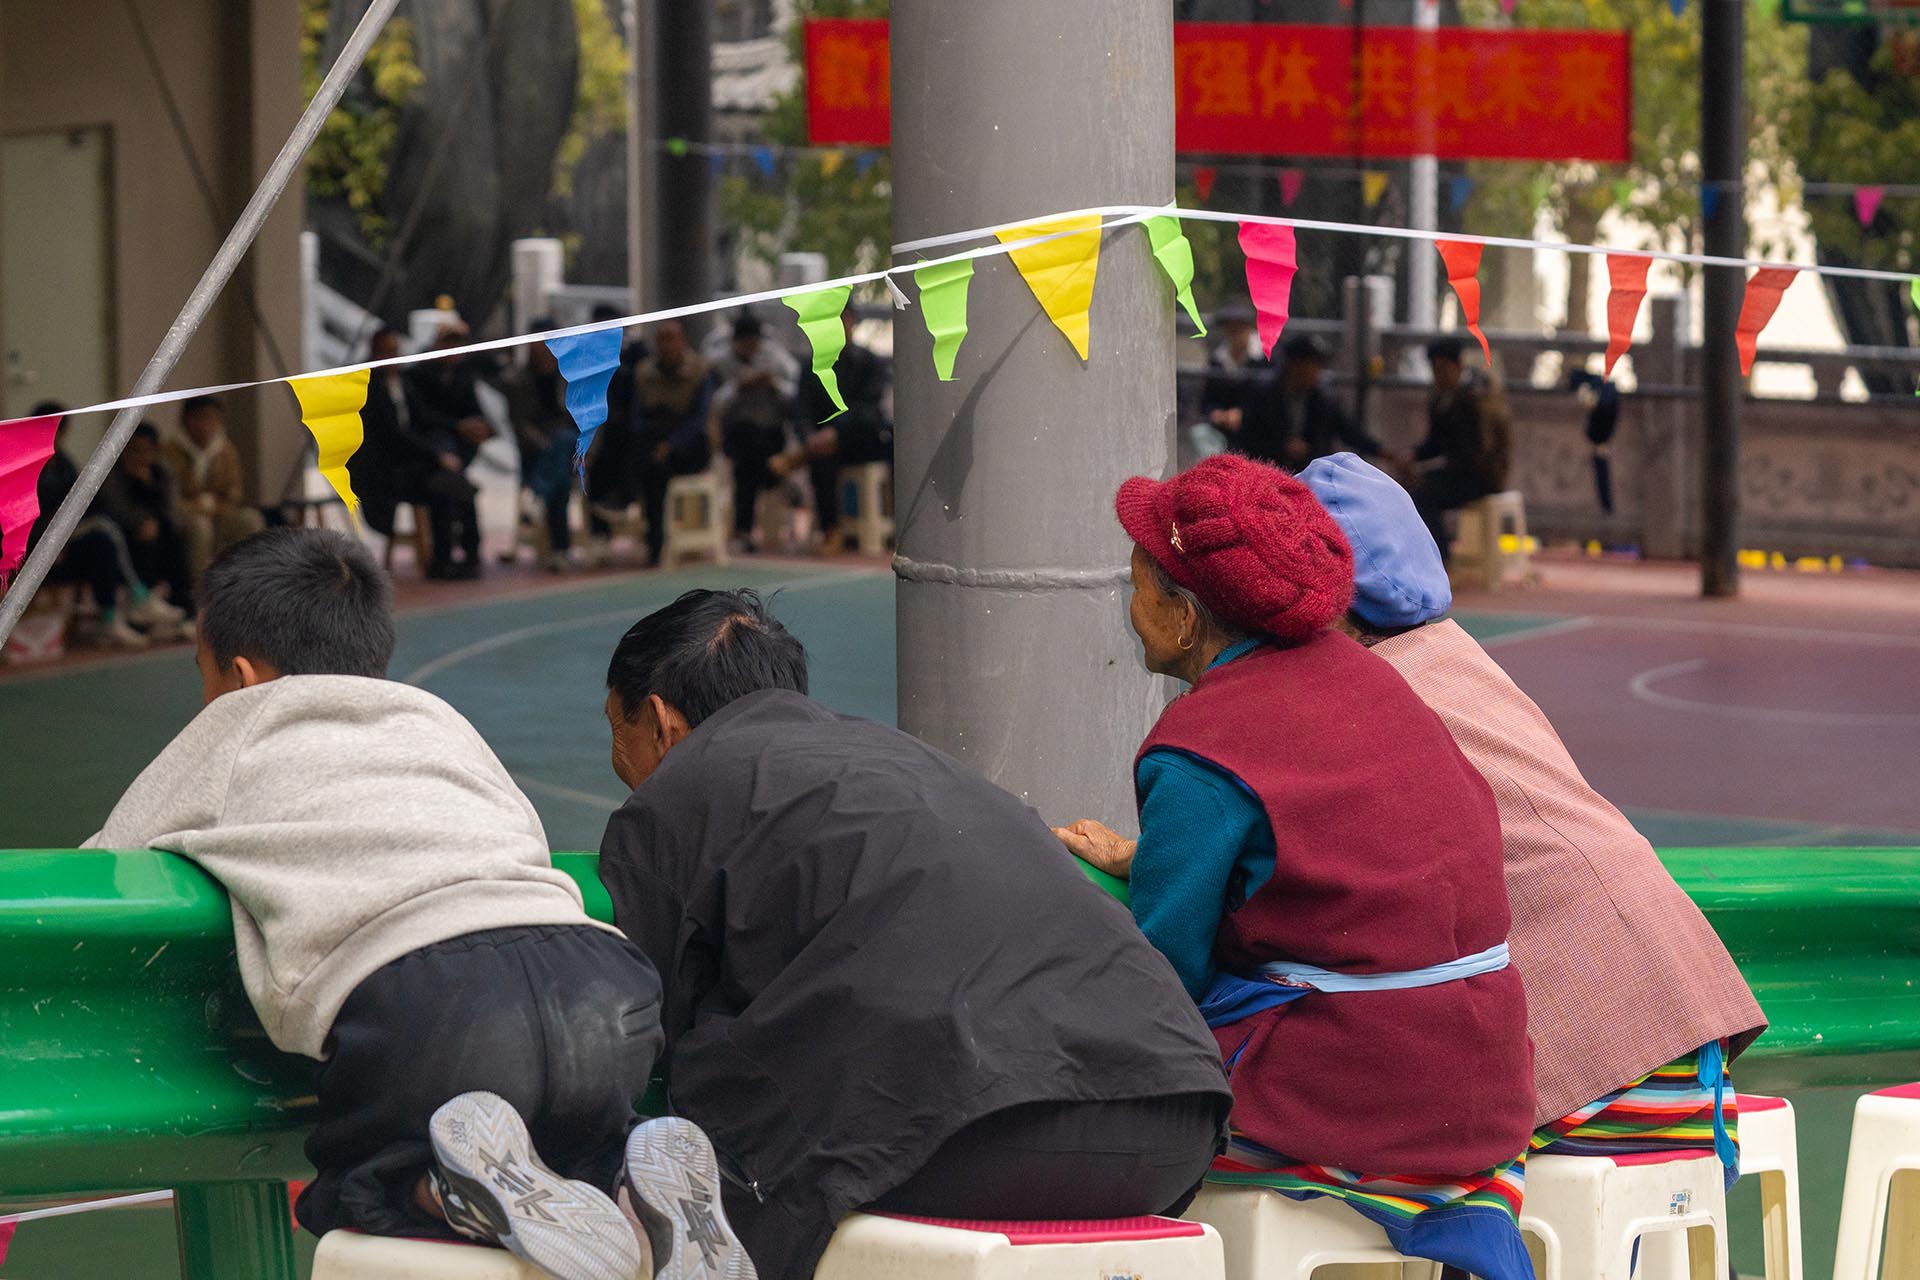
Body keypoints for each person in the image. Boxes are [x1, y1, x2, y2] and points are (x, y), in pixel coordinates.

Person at [82, 527, 748, 1280]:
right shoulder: (441, 723)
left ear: (236, 675)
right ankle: (633, 1185)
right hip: (601, 984)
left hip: (424, 1002)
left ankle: (447, 1194)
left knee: (356, 1188)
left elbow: (106, 867)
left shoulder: (237, 724)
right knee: (573, 1151)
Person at [596, 589, 1231, 1280]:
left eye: (613, 729)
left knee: (700, 1096)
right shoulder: (910, 759)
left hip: (981, 1131)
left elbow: (646, 1027)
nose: (616, 759)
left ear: (661, 722)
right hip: (1177, 1120)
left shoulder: (675, 793)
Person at [1053, 453, 1534, 1280]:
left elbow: (1161, 976)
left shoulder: (1200, 749)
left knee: (1076, 1124)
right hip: (1491, 1083)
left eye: (1137, 586)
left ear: (1183, 616)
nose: (1129, 609)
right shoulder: (1375, 683)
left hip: (1367, 1094)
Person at [1298, 452, 1765, 1184]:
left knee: (1382, 1174)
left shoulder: (1361, 692)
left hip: (1598, 1074)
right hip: (1687, 1039)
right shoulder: (1457, 657)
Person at [23, 405, 183, 648]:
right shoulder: (22, 463)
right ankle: (138, 597)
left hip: (68, 539)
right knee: (104, 528)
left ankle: (110, 620)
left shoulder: (64, 463)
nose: (55, 435)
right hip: (37, 542)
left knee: (104, 543)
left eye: (59, 430)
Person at [770, 304, 893, 556]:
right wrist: (811, 437)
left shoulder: (869, 362)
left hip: (865, 441)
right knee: (823, 456)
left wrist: (835, 430)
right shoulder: (811, 365)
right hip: (823, 446)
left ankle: (798, 457)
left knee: (859, 432)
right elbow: (800, 411)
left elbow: (870, 410)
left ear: (852, 323)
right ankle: (830, 530)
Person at [1408, 337, 1512, 562]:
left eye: (1444, 369)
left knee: (1425, 493)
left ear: (1458, 366)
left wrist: (1429, 473)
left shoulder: (1476, 397)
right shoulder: (1440, 398)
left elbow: (1477, 452)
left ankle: (1441, 559)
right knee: (1410, 488)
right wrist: (1412, 457)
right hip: (1459, 470)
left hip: (1482, 476)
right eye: (1435, 370)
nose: (1439, 376)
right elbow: (1435, 444)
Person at [704, 312, 798, 552]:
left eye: (754, 343)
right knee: (748, 455)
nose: (750, 349)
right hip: (738, 436)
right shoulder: (719, 362)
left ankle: (761, 529)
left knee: (757, 456)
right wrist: (739, 388)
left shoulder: (775, 358)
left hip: (772, 433)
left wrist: (772, 384)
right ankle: (743, 530)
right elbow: (713, 404)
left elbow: (796, 392)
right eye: (745, 344)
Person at [406, 324, 494, 578]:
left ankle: (467, 555)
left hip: (457, 451)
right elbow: (421, 417)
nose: (453, 350)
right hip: (429, 454)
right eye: (448, 344)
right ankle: (450, 556)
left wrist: (479, 426)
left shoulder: (464, 374)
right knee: (451, 487)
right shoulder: (417, 375)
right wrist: (458, 426)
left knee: (455, 484)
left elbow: (473, 409)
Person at [626, 319, 714, 568]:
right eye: (661, 339)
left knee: (657, 469)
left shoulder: (700, 371)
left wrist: (671, 445)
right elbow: (637, 417)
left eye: (671, 338)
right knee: (641, 456)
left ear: (682, 341)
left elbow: (699, 420)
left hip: (690, 444)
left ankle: (656, 542)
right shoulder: (644, 372)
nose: (667, 345)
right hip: (653, 439)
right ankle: (625, 499)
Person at [498, 326, 579, 572]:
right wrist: (547, 447)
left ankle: (537, 500)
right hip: (536, 453)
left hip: (572, 454)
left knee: (565, 440)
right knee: (561, 478)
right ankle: (561, 550)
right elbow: (520, 424)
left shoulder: (571, 377)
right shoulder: (515, 381)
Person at [94, 422, 195, 616]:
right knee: (146, 533)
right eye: (133, 450)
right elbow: (115, 509)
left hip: (157, 529)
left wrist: (149, 487)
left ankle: (181, 601)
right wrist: (142, 518)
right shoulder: (110, 474)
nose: (138, 457)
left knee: (173, 533)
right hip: (122, 533)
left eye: (145, 451)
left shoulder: (162, 473)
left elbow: (171, 510)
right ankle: (143, 601)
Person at [164, 395, 267, 583]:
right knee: (200, 527)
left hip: (220, 512)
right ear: (186, 420)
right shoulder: (170, 452)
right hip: (186, 517)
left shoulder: (225, 450)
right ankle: (200, 588)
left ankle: (252, 583)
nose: (206, 425)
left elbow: (235, 491)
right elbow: (170, 499)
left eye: (212, 419)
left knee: (251, 519)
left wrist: (216, 505)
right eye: (200, 418)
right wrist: (199, 506)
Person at [1255, 335, 1386, 469]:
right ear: (1294, 365)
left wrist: (1384, 452)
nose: (1315, 371)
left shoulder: (1322, 400)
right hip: (1269, 472)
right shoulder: (1265, 395)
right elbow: (1249, 439)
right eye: (1310, 364)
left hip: (1310, 475)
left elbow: (1348, 431)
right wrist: (1282, 446)